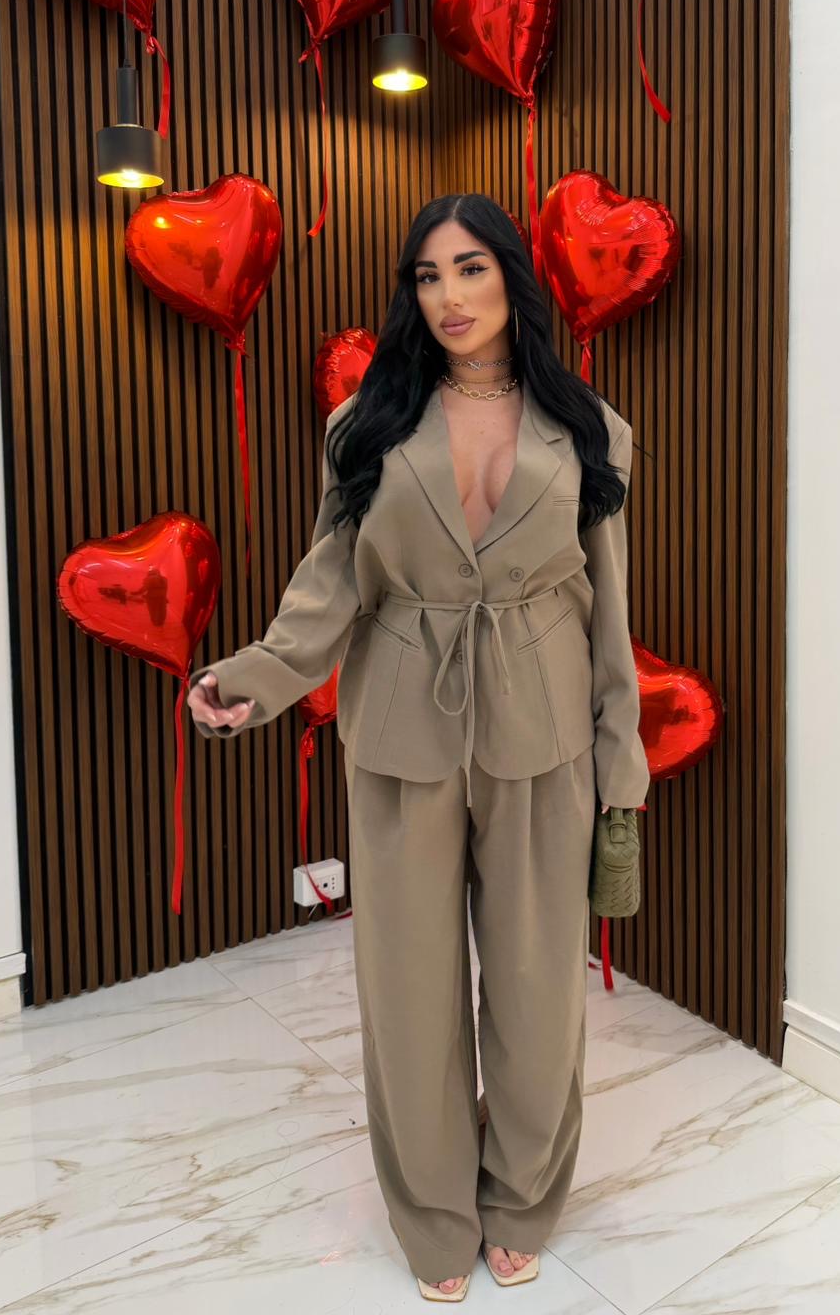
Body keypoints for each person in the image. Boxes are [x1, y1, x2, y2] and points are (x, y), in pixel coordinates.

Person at [187, 192, 650, 1301]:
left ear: (512, 280)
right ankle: (436, 1217)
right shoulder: (370, 421)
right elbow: (331, 581)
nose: (449, 295)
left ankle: (522, 1197)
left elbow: (609, 609)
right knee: (409, 992)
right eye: (428, 275)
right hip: (401, 727)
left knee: (537, 988)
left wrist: (619, 762)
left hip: (544, 727)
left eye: (471, 268)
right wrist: (257, 678)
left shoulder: (590, 426)